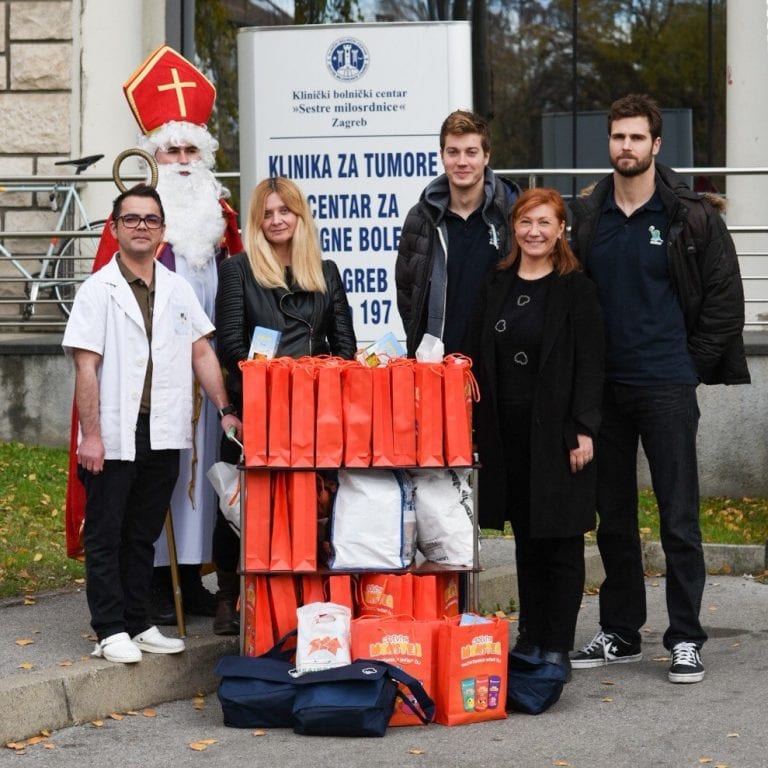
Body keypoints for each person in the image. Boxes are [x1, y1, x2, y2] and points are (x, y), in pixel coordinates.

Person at [569, 94, 750, 684]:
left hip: (667, 386)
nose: (626, 147)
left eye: (636, 138)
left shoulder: (689, 217)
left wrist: (686, 365)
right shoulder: (588, 215)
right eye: (618, 138)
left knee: (678, 516)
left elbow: (725, 302)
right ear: (611, 143)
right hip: (605, 390)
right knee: (613, 517)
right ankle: (621, 632)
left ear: (656, 145)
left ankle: (685, 638)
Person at [64, 45, 244, 628]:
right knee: (142, 488)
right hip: (140, 385)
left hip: (202, 367)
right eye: (172, 148)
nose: (184, 159)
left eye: (193, 148)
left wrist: (225, 397)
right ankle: (141, 592)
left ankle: (191, 575)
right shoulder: (135, 230)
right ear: (154, 157)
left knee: (200, 475)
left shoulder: (221, 218)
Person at [466, 188, 604, 679]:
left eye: (545, 223)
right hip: (509, 433)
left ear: (560, 229)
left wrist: (585, 428)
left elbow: (591, 364)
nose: (535, 232)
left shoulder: (576, 289)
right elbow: (477, 357)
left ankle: (557, 645)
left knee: (561, 539)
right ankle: (531, 637)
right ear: (514, 228)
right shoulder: (497, 283)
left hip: (559, 432)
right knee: (527, 538)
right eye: (526, 222)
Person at [214, 176, 357, 630]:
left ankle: (312, 593)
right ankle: (231, 594)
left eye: (285, 211)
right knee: (248, 503)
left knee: (318, 500)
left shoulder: (325, 271)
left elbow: (346, 346)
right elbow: (231, 347)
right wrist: (276, 383)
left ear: (300, 216)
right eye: (268, 213)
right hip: (261, 406)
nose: (277, 220)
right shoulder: (238, 270)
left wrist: (319, 383)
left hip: (318, 411)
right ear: (257, 222)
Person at [395, 109, 520, 357]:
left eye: (471, 152)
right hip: (439, 367)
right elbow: (408, 292)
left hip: (499, 364)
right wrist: (424, 345)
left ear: (486, 156)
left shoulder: (512, 214)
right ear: (442, 156)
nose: (462, 162)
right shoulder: (420, 218)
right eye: (453, 152)